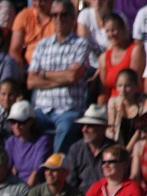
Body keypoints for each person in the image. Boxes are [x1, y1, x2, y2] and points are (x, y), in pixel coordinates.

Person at [27, 0, 90, 154]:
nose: (58, 18)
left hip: (69, 109)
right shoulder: (42, 45)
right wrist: (63, 76)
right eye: (54, 15)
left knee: (66, 127)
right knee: (21, 123)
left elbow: (73, 77)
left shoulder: (81, 44)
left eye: (63, 15)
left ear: (72, 18)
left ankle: (56, 170)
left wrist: (43, 74)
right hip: (42, 109)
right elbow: (30, 81)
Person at [66, 103, 112, 194]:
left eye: (90, 125)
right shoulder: (76, 149)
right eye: (83, 125)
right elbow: (71, 182)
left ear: (103, 128)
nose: (84, 129)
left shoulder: (114, 149)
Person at [97, 13, 143, 104]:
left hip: (132, 103)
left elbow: (133, 83)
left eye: (114, 30)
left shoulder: (135, 50)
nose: (111, 34)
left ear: (123, 29)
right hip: (112, 105)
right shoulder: (104, 57)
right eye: (107, 31)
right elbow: (103, 91)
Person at [4, 99, 51, 187]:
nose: (16, 126)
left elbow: (35, 174)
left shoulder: (42, 141)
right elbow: (7, 169)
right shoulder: (10, 142)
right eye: (13, 122)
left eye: (21, 122)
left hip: (34, 188)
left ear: (31, 122)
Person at [106, 69, 145, 148]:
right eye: (119, 86)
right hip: (117, 148)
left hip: (138, 147)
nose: (123, 90)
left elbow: (140, 131)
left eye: (127, 86)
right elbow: (111, 129)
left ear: (136, 87)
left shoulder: (144, 105)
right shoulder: (113, 103)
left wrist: (127, 151)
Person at [9, 0, 53, 69]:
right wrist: (21, 70)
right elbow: (14, 51)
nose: (38, 4)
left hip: (53, 64)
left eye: (42, 1)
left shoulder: (60, 17)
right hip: (28, 67)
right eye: (35, 0)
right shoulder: (24, 15)